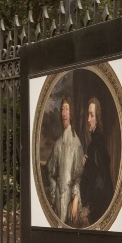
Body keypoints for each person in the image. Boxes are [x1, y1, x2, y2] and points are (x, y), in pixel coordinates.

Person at [45, 95, 84, 225]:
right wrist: (55, 195)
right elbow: (51, 172)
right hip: (58, 203)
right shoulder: (57, 144)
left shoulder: (76, 144)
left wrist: (75, 199)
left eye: (67, 109)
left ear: (71, 113)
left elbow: (78, 177)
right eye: (62, 109)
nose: (64, 113)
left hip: (70, 203)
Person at [79, 97, 113, 224]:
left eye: (92, 115)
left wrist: (89, 207)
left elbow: (100, 183)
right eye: (88, 115)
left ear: (97, 119)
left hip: (99, 207)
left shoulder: (96, 145)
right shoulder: (95, 143)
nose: (88, 119)